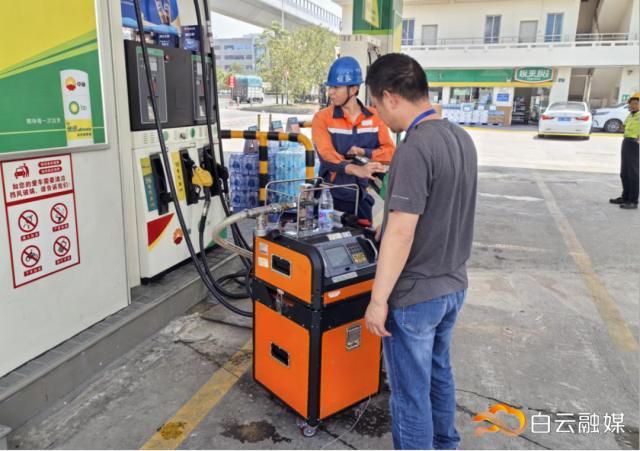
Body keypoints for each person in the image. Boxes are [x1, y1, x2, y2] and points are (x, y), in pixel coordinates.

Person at [363, 53, 478, 451]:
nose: (378, 116)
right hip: (453, 286)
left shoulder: (413, 148)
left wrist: (378, 300)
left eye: (376, 106)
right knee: (438, 374)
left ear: (390, 96)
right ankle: (446, 445)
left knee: (410, 396)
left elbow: (401, 233)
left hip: (415, 297)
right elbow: (441, 205)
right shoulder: (461, 138)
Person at [312, 57, 395, 223]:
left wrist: (364, 152)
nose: (330, 92)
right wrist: (356, 169)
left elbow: (390, 153)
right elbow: (326, 155)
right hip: (330, 198)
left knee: (365, 238)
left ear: (353, 89)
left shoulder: (374, 117)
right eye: (330, 87)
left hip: (361, 197)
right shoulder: (322, 118)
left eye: (336, 87)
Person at [611, 93, 640, 210]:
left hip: (636, 144)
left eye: (636, 104)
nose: (634, 105)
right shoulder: (630, 115)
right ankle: (625, 197)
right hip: (627, 142)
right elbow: (623, 126)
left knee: (634, 173)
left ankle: (633, 201)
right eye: (632, 104)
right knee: (625, 172)